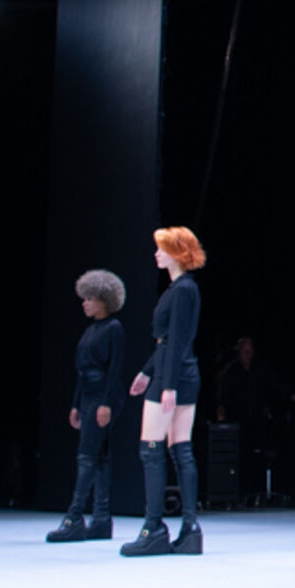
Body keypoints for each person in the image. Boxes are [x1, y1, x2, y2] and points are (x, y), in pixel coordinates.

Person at [122, 227, 206, 557]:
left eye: (163, 249)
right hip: (182, 371)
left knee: (151, 449)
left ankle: (153, 528)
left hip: (174, 375)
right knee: (180, 448)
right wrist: (147, 371)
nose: (157, 253)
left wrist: (167, 384)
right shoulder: (185, 288)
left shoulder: (181, 290)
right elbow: (171, 342)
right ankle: (190, 529)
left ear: (177, 253)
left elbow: (176, 341)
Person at [46, 269, 127, 542]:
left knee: (87, 455)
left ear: (103, 300)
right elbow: (82, 371)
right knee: (100, 456)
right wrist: (75, 404)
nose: (85, 303)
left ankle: (74, 518)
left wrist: (106, 404)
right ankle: (101, 519)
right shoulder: (90, 330)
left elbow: (115, 370)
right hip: (88, 396)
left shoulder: (114, 329)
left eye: (90, 298)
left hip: (104, 396)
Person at [215, 336, 295, 496]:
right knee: (239, 454)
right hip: (238, 423)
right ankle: (239, 492)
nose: (249, 355)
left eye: (251, 351)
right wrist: (221, 421)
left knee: (262, 448)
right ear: (239, 352)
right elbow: (222, 399)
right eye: (246, 352)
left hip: (257, 421)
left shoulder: (259, 368)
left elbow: (280, 387)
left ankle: (259, 490)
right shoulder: (231, 372)